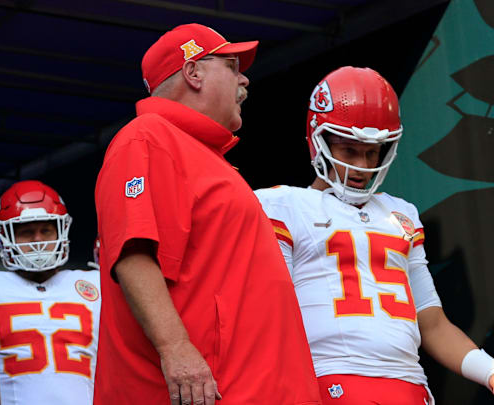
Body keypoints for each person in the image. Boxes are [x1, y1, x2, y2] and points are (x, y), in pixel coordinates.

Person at [94, 23, 321, 405]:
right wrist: (176, 348)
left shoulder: (201, 156)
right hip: (209, 392)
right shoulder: (148, 137)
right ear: (193, 72)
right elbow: (133, 254)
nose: (245, 79)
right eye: (232, 66)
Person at [255, 66, 494, 404]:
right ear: (317, 140)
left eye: (372, 152)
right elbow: (266, 314)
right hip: (329, 378)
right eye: (348, 150)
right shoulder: (282, 204)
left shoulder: (401, 213)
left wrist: (490, 370)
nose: (363, 165)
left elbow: (433, 324)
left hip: (409, 384)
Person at [0, 180, 100, 405]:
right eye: (26, 232)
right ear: (4, 237)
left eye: (46, 230)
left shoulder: (96, 284)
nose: (38, 241)